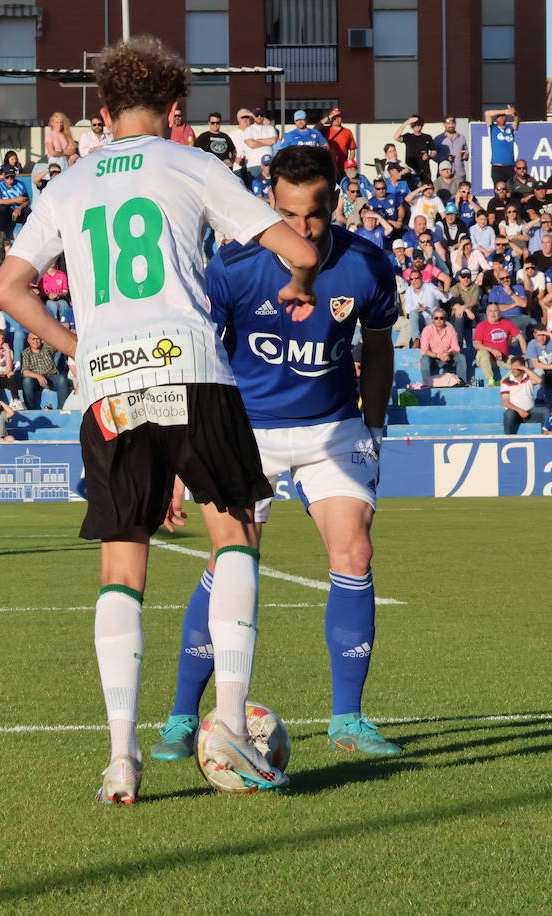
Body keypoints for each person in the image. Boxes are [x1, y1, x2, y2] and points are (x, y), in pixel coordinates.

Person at [0, 36, 318, 802]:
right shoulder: (195, 163)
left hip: (108, 381)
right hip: (190, 366)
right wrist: (300, 281)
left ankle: (119, 760)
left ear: (100, 116)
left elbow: (9, 287)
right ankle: (231, 725)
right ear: (176, 112)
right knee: (235, 532)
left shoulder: (68, 183)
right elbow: (290, 243)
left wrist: (78, 348)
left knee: (121, 565)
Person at [142, 143, 401, 763]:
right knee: (233, 559)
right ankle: (183, 715)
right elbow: (198, 360)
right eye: (286, 214)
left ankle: (349, 718)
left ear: (335, 201)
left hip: (332, 430)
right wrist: (183, 453)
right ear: (268, 204)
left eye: (312, 215)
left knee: (354, 549)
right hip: (244, 430)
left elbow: (380, 346)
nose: (299, 228)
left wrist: (372, 427)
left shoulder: (367, 265)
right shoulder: (232, 266)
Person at [19, 332, 72, 408]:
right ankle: (30, 408)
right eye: (33, 339)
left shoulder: (47, 347)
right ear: (28, 340)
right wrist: (38, 376)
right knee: (26, 380)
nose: (36, 341)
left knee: (62, 379)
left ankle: (62, 409)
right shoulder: (25, 353)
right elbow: (24, 371)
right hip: (35, 381)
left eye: (38, 339)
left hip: (51, 378)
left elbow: (58, 342)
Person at [500, 356, 543, 434]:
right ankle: (508, 438)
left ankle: (548, 438)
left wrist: (525, 368)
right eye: (512, 367)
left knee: (545, 412)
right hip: (515, 413)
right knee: (508, 414)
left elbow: (539, 380)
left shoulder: (528, 378)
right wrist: (519, 411)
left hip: (530, 413)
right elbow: (505, 402)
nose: (513, 370)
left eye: (516, 367)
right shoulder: (506, 382)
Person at [483, 105, 519, 187]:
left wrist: (515, 114)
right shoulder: (493, 128)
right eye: (499, 116)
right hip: (497, 166)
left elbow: (517, 121)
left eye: (504, 116)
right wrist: (504, 111)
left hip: (510, 166)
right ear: (496, 119)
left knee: (510, 191)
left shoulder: (510, 128)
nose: (502, 117)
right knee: (499, 189)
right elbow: (487, 113)